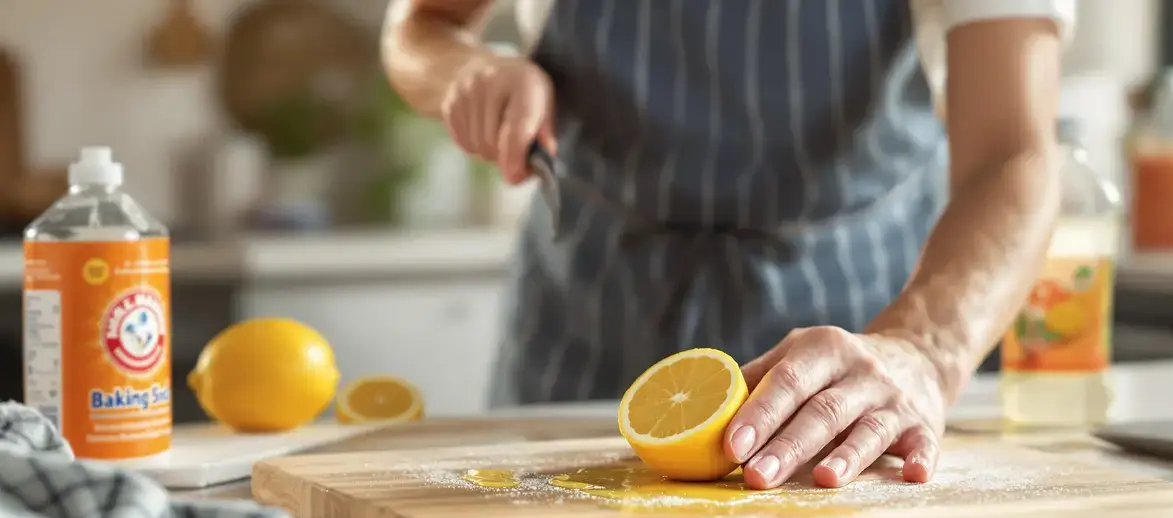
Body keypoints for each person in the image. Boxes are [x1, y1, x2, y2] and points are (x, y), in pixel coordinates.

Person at [382, 0, 1075, 490]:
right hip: (584, 318)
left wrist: (922, 352)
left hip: (856, 339)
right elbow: (418, 25)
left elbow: (1014, 156)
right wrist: (463, 71)